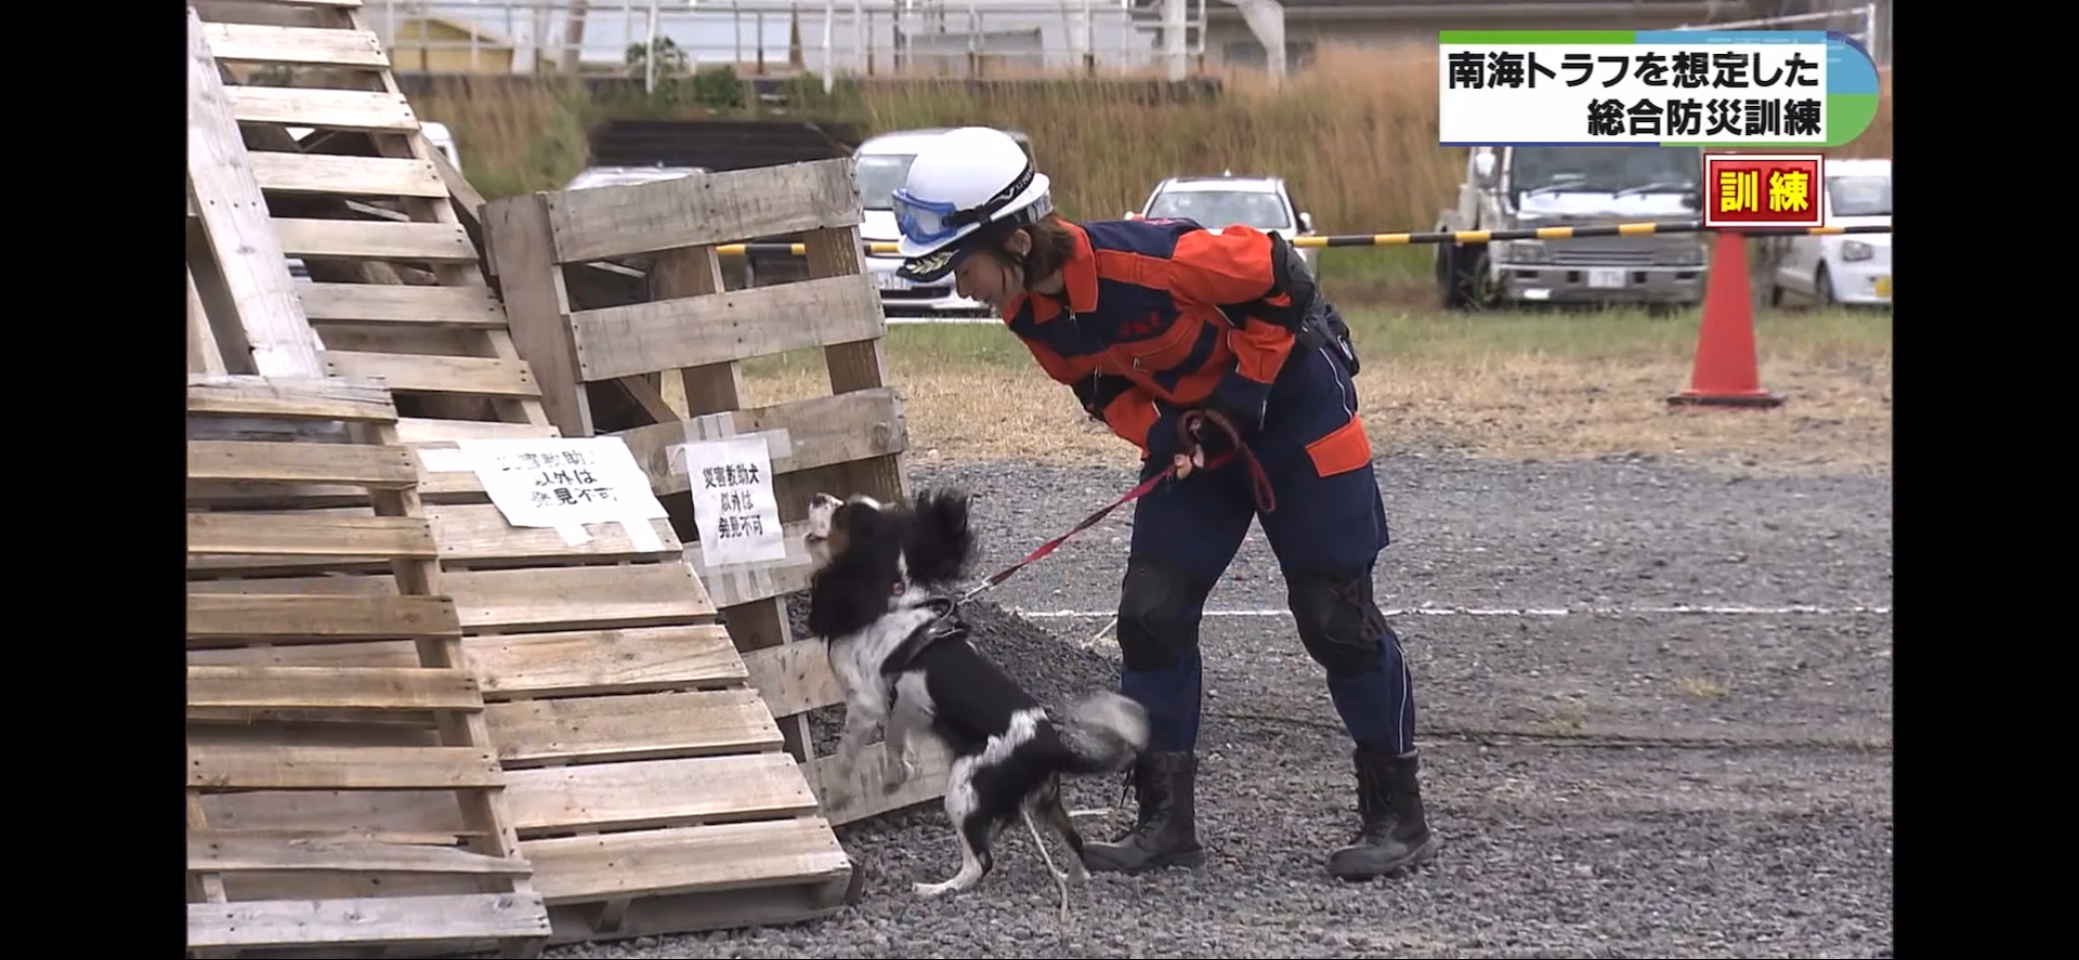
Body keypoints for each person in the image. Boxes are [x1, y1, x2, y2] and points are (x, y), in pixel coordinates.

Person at [888, 126, 1437, 882]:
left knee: (1334, 617)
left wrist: (1243, 392)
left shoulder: (1153, 259)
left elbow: (1285, 276)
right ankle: (1165, 825)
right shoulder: (1027, 313)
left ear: (1015, 240)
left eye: (961, 265)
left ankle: (1398, 817)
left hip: (1299, 420)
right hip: (1203, 438)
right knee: (1151, 614)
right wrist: (1163, 432)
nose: (959, 287)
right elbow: (1102, 389)